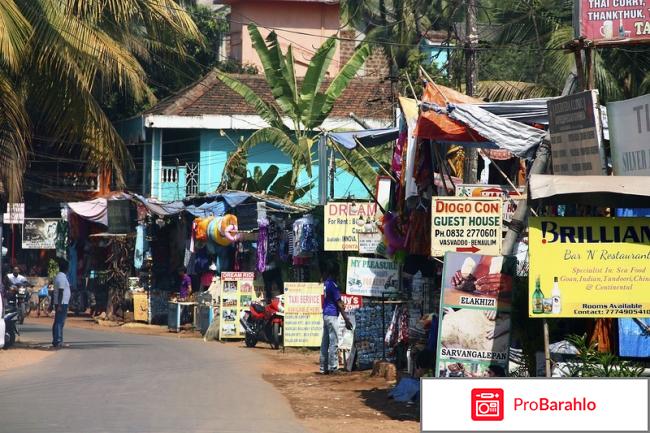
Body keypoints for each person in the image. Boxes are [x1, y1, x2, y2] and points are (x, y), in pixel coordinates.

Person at [320, 260, 352, 375]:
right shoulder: (333, 285)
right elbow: (339, 303)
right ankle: (333, 367)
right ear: (336, 273)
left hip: (325, 314)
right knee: (333, 341)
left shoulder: (326, 283)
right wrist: (347, 320)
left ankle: (323, 367)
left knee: (325, 342)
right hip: (332, 315)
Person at [49, 260, 71, 349]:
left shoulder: (59, 276)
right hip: (62, 303)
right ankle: (58, 341)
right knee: (59, 322)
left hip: (61, 302)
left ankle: (57, 341)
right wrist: (59, 305)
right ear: (66, 268)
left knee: (59, 322)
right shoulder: (61, 277)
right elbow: (61, 292)